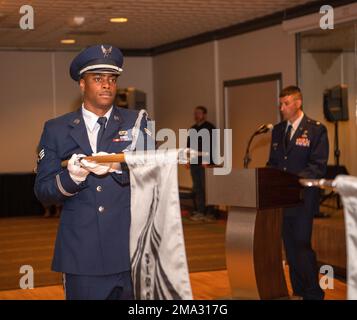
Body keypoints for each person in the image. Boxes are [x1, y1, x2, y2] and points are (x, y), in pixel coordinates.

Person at [34, 44, 151, 300]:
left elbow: (152, 177)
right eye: (97, 79)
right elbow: (43, 191)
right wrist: (72, 178)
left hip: (129, 250)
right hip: (81, 254)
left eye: (111, 79)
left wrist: (117, 166)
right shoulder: (56, 129)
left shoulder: (137, 122)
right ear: (82, 84)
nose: (107, 85)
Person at [267, 86, 329, 300]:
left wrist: (292, 181)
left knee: (302, 244)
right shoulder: (277, 130)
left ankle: (314, 292)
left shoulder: (315, 130)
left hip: (303, 198)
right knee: (290, 247)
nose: (282, 108)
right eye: (280, 104)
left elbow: (318, 165)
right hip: (283, 199)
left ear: (298, 103)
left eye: (286, 103)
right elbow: (273, 163)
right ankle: (298, 291)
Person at [186, 106, 217, 222]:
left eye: (198, 113)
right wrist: (188, 160)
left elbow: (212, 145)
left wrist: (207, 161)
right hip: (194, 162)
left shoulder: (210, 128)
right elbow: (189, 146)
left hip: (206, 163)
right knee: (197, 188)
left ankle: (210, 213)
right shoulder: (192, 129)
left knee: (207, 188)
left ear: (204, 114)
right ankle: (200, 211)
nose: (196, 115)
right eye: (195, 113)